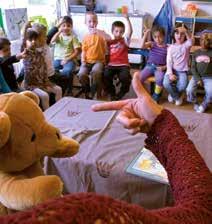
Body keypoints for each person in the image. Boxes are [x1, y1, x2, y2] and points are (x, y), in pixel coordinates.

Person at [0, 73, 211, 224]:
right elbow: (202, 210)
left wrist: (161, 124)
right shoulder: (87, 213)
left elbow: (202, 209)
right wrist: (162, 125)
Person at [22, 28, 62, 110]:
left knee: (58, 89)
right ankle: (46, 117)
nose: (33, 41)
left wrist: (46, 82)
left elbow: (43, 70)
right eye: (30, 40)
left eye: (35, 39)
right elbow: (23, 38)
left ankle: (59, 110)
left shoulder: (40, 54)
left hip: (42, 82)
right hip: (31, 85)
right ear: (25, 41)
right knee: (44, 95)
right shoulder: (25, 53)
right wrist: (26, 27)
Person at [77, 11, 110, 99]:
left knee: (96, 72)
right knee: (81, 74)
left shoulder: (101, 33)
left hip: (99, 61)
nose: (92, 23)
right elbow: (83, 51)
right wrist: (83, 61)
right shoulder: (85, 37)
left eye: (94, 21)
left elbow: (109, 38)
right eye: (89, 21)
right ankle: (87, 91)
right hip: (87, 61)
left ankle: (96, 92)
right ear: (85, 23)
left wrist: (100, 32)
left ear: (97, 22)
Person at [103, 15, 132, 101]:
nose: (119, 33)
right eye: (116, 31)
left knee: (125, 77)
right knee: (105, 75)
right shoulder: (109, 42)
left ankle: (122, 92)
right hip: (111, 65)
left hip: (123, 65)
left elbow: (130, 31)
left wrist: (127, 18)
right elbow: (105, 51)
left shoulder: (125, 40)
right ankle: (112, 93)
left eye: (121, 32)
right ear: (112, 32)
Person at [163, 24, 193, 106]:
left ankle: (174, 95)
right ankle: (177, 96)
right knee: (166, 83)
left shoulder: (186, 45)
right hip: (172, 70)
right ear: (173, 34)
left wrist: (186, 31)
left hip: (182, 71)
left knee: (183, 86)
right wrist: (170, 73)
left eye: (182, 34)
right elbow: (169, 61)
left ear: (185, 35)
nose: (179, 36)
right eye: (177, 33)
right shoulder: (171, 47)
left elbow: (191, 41)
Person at [51, 16, 81, 95]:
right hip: (57, 59)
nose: (66, 28)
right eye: (63, 25)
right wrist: (59, 31)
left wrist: (67, 59)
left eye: (68, 25)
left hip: (69, 60)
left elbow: (77, 51)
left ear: (71, 27)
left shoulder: (73, 37)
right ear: (60, 27)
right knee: (51, 70)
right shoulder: (59, 37)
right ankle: (57, 87)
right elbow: (52, 41)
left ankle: (67, 89)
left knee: (67, 71)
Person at [137, 25, 168, 103]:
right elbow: (141, 46)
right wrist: (146, 34)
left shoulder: (167, 47)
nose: (157, 39)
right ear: (153, 37)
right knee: (139, 78)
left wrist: (164, 67)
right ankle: (144, 94)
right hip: (150, 66)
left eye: (160, 37)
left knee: (160, 79)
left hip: (160, 67)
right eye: (155, 37)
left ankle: (155, 96)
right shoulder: (152, 44)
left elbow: (170, 62)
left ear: (164, 36)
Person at [186, 32, 212, 113]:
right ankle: (195, 102)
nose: (204, 42)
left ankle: (204, 104)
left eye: (207, 40)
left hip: (209, 77)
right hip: (196, 76)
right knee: (189, 90)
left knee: (211, 92)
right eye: (202, 39)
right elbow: (193, 67)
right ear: (199, 40)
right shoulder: (196, 52)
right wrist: (198, 79)